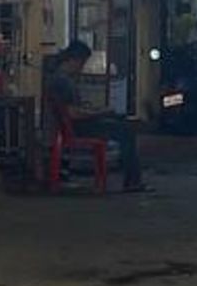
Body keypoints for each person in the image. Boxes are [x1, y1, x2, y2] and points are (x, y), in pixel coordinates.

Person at [42, 39, 144, 191]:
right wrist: (100, 112)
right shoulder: (63, 82)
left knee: (121, 122)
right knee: (126, 131)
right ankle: (133, 180)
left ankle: (131, 178)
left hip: (74, 125)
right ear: (75, 60)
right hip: (79, 127)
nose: (82, 67)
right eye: (82, 63)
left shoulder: (59, 79)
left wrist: (96, 111)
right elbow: (73, 114)